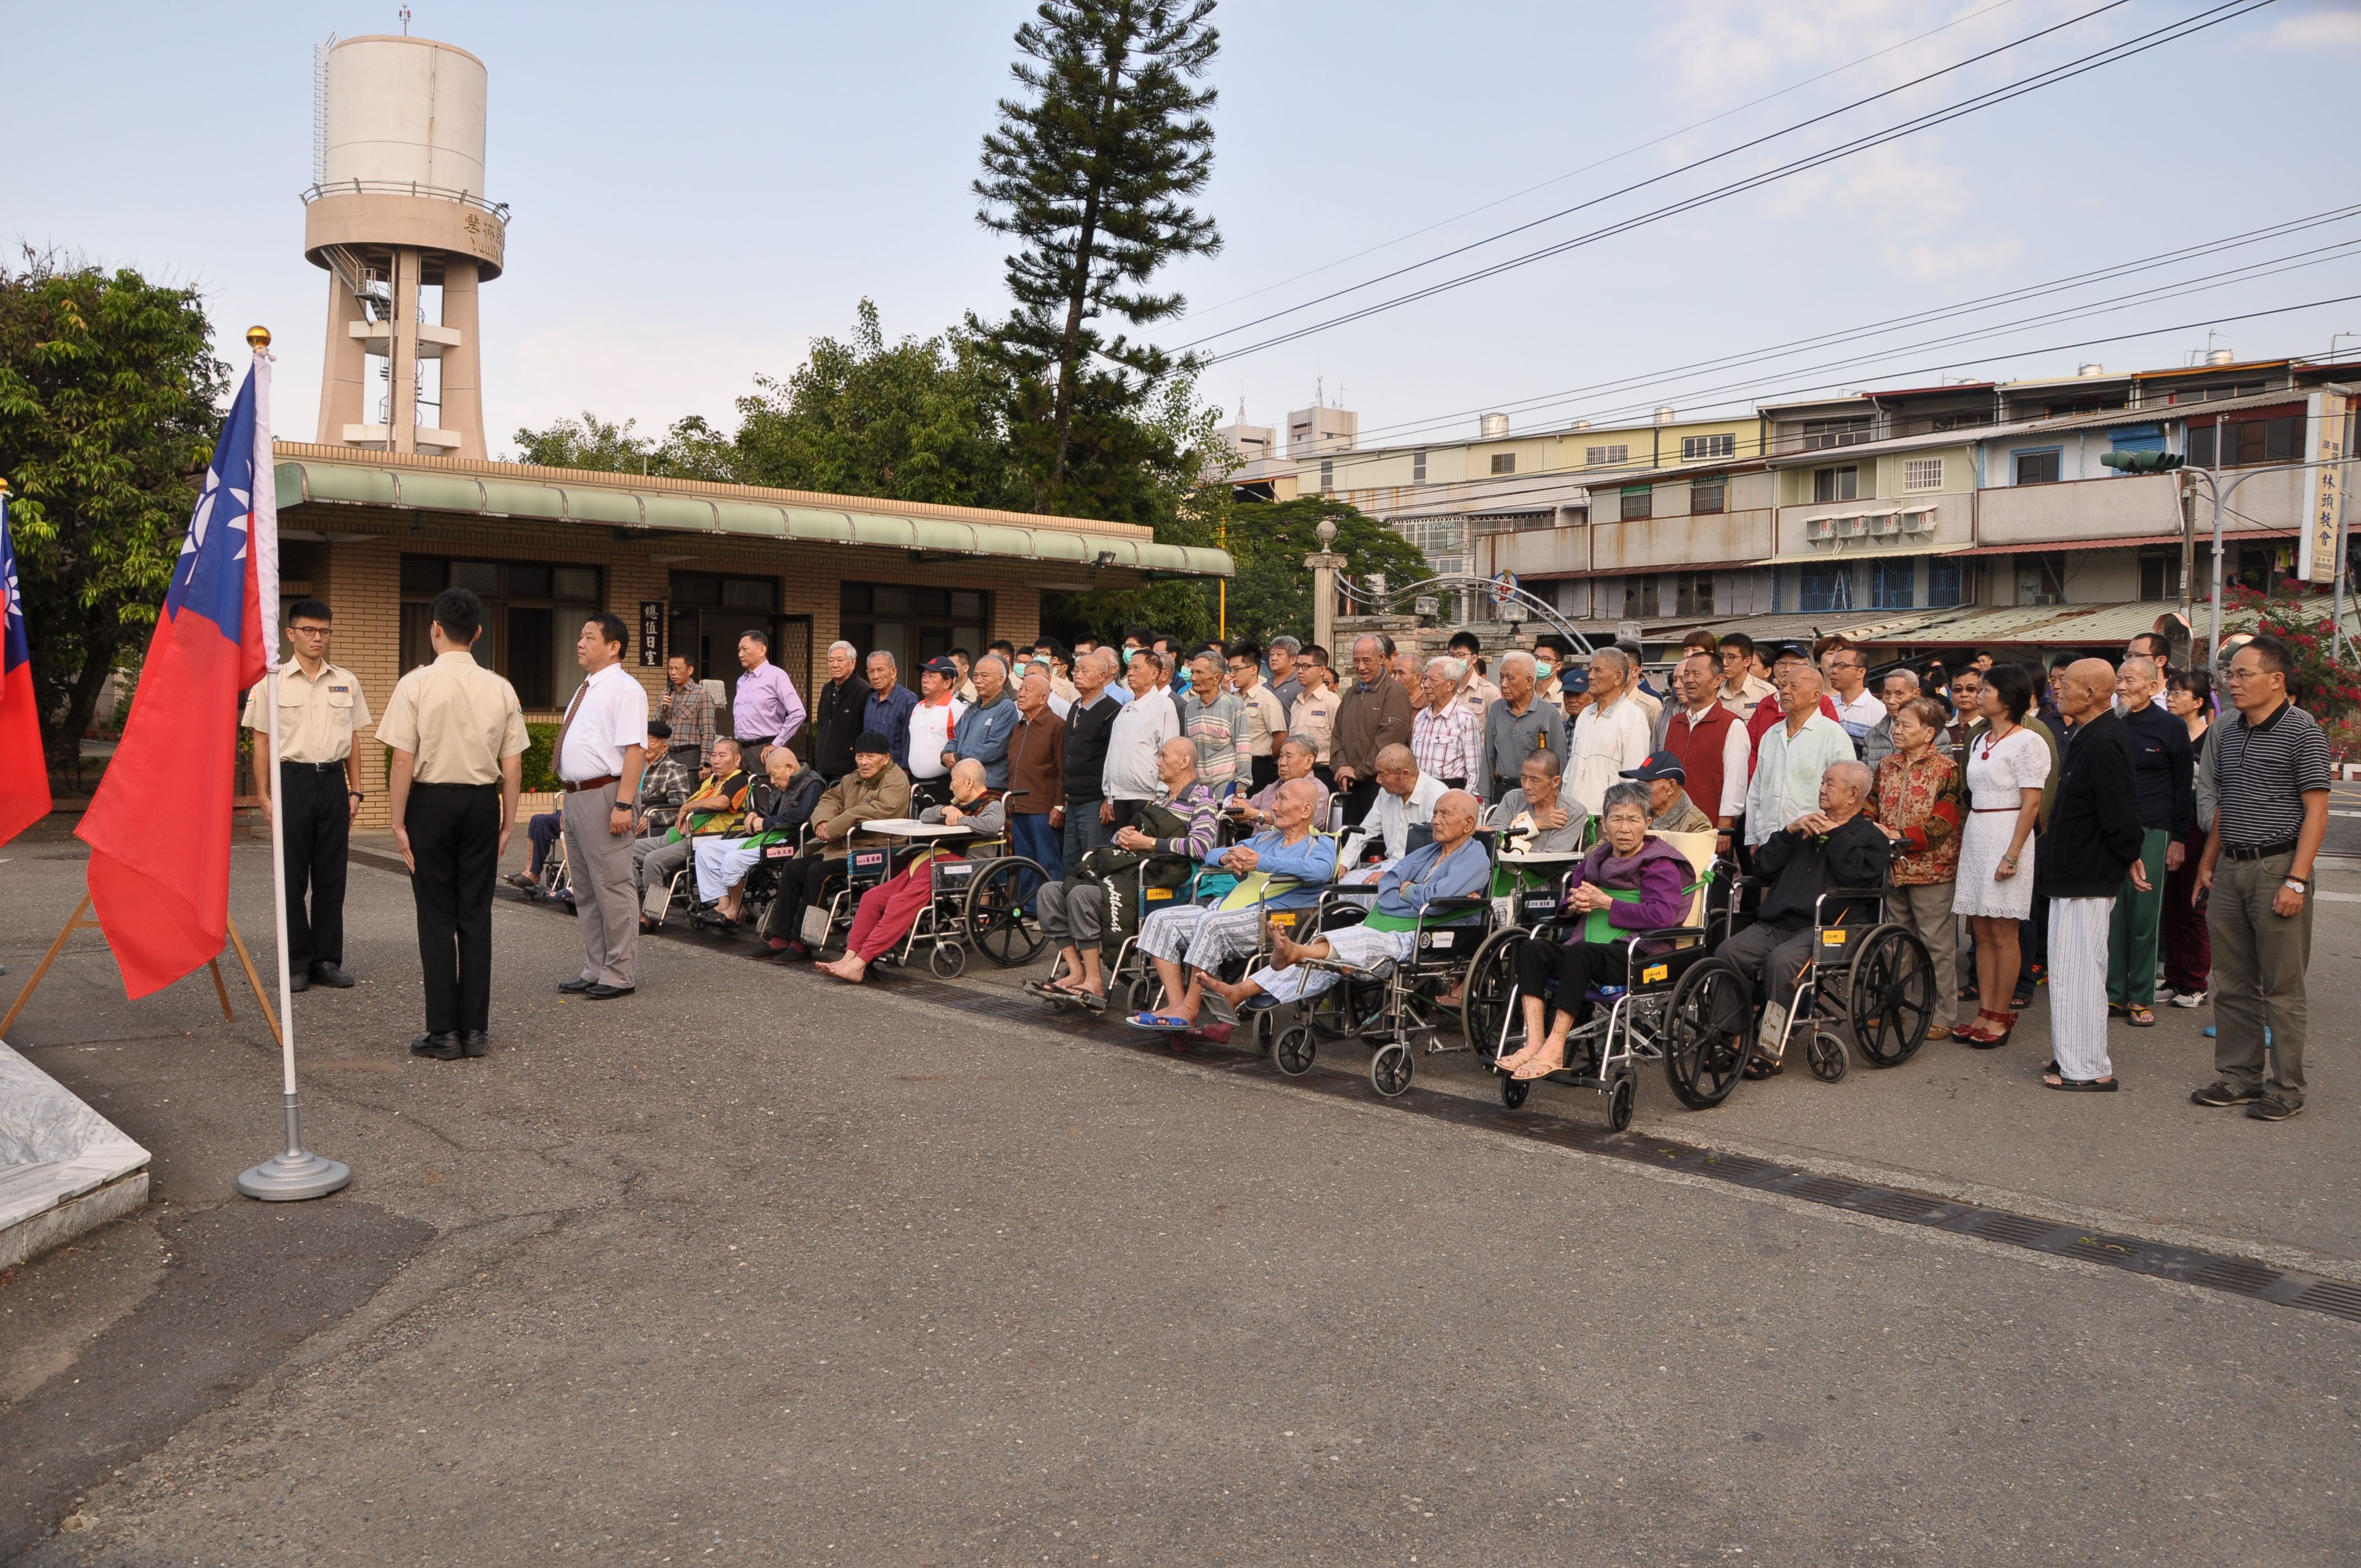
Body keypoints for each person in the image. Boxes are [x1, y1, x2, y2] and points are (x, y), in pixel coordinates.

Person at [379, 587, 526, 1061]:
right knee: (475, 918)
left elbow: (403, 760)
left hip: (431, 805)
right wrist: (508, 821)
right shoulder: (501, 686)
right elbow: (514, 763)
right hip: (482, 805)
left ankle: (443, 1033)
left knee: (437, 918)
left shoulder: (415, 684)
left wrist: (397, 821)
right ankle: (475, 1032)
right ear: (479, 632)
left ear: (435, 629)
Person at [2190, 635, 2331, 1122]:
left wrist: (2297, 880)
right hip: (2230, 866)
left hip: (2278, 867)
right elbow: (2226, 804)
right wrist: (2208, 864)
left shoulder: (2303, 731)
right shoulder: (2228, 731)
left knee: (2282, 988)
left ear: (2276, 679)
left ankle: (2287, 1087)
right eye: (2230, 675)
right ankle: (2238, 1077)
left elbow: (2317, 811)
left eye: (2243, 674)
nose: (2233, 682)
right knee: (2230, 982)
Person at [1205, 790, 1488, 1019]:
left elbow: (1435, 902)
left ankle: (1293, 955)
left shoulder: (1476, 858)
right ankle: (1241, 990)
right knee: (1329, 955)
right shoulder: (1428, 851)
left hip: (1426, 936)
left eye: (1445, 814)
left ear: (1468, 824)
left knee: (1353, 945)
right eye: (1435, 813)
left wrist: (1410, 891)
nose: (1436, 820)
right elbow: (1389, 883)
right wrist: (1411, 894)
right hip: (1389, 924)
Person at [1494, 782, 1694, 1079]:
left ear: (1647, 824)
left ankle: (1556, 1047)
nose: (1624, 828)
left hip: (1636, 954)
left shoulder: (1659, 863)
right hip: (1590, 948)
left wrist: (1607, 903)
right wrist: (1573, 906)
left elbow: (1663, 915)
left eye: (1633, 819)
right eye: (1616, 819)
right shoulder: (1597, 859)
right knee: (1532, 947)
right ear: (1604, 824)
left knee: (1581, 953)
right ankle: (1535, 1041)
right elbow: (1569, 899)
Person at [1718, 760, 1891, 1076]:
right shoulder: (1808, 828)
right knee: (1729, 952)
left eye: (1829, 784)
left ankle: (1771, 1048)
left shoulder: (1870, 836)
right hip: (1779, 923)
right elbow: (1763, 869)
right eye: (1822, 782)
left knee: (1782, 963)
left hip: (1828, 929)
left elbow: (1857, 878)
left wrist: (1836, 836)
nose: (1821, 789)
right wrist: (1789, 831)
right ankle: (1735, 1036)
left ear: (1853, 794)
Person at [1127, 775, 1336, 1035]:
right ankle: (1176, 1004)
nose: (1274, 806)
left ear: (1306, 810)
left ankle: (1190, 1010)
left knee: (1210, 923)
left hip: (1275, 918)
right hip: (1230, 911)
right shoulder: (1266, 839)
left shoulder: (1320, 844)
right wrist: (1228, 857)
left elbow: (1322, 872)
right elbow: (1212, 853)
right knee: (1161, 919)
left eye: (1282, 799)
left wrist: (1261, 863)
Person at [1033, 736, 1221, 1010]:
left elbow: (1201, 846)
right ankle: (1077, 971)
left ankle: (1096, 981)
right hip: (1130, 869)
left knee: (1083, 895)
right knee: (1050, 892)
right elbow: (1137, 836)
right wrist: (1122, 836)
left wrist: (1149, 843)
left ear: (1184, 761)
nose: (1158, 762)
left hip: (1162, 879)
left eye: (1164, 756)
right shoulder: (1160, 799)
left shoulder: (1201, 797)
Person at [242, 596, 369, 993]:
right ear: (291, 633)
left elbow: (353, 739)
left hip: (332, 784)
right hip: (291, 782)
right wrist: (264, 795)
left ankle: (327, 960)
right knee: (292, 877)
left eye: (324, 631)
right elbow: (261, 742)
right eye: (310, 631)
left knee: (332, 877)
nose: (318, 638)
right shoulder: (270, 683)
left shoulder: (345, 680)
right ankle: (297, 962)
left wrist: (356, 791)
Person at [2038, 659, 2149, 1092]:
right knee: (2069, 968)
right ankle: (2073, 1055)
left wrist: (2129, 855)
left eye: (2066, 685)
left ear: (2091, 694)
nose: (2057, 690)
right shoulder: (2089, 734)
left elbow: (2121, 812)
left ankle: (2087, 1067)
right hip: (2073, 870)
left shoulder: (2105, 740)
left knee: (2080, 970)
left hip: (2088, 873)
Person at [815, 759, 1007, 984]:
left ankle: (860, 963)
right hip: (932, 860)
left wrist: (961, 819)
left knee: (899, 903)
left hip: (960, 865)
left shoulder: (992, 803)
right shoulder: (957, 804)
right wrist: (946, 809)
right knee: (872, 898)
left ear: (968, 782)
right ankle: (849, 957)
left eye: (954, 781)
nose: (950, 786)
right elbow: (925, 815)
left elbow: (992, 825)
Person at [554, 614, 651, 993]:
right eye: (579, 635)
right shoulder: (588, 688)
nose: (580, 642)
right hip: (578, 797)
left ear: (614, 647)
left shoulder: (625, 689)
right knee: (587, 889)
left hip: (607, 795)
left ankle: (620, 972)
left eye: (589, 637)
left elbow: (635, 751)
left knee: (613, 885)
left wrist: (624, 806)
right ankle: (596, 967)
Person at [1952, 665, 2047, 1048]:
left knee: (2005, 930)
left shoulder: (2028, 741)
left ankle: (2001, 1014)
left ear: (2008, 695)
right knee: (1982, 930)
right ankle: (1984, 1010)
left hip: (2010, 834)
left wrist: (2012, 854)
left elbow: (2032, 803)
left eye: (1987, 688)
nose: (1979, 693)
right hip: (1978, 831)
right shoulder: (1979, 739)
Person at [764, 731, 913, 959]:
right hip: (843, 846)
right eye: (860, 756)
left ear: (885, 758)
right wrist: (823, 821)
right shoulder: (852, 779)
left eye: (870, 756)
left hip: (877, 848)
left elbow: (877, 811)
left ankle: (805, 941)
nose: (864, 762)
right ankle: (780, 937)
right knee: (793, 868)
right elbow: (829, 799)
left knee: (818, 872)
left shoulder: (896, 781)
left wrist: (835, 826)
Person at [2106, 656, 2194, 1028]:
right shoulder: (2109, 724)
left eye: (2129, 680)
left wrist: (2179, 840)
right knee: (2112, 915)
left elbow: (2182, 787)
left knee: (2144, 915)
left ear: (2152, 686)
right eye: (2119, 680)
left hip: (2154, 830)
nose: (2122, 687)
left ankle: (2141, 996)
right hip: (2110, 831)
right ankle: (2113, 994)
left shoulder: (2171, 727)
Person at [1872, 695, 1966, 1042]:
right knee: (1894, 942)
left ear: (1928, 733)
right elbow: (1871, 805)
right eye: (1897, 724)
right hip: (1894, 866)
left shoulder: (1947, 768)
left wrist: (1900, 836)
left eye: (1905, 725)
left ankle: (1943, 1014)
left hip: (1932, 869)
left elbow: (1945, 821)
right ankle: (1892, 1003)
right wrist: (1875, 830)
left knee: (1936, 944)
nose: (1897, 730)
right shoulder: (1887, 766)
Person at [512, 720, 690, 897]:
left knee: (580, 832)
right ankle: (532, 873)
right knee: (541, 821)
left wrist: (651, 818)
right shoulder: (627, 764)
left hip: (636, 821)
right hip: (607, 813)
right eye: (644, 739)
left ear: (665, 747)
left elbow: (679, 807)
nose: (646, 745)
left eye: (652, 741)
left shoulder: (673, 770)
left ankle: (579, 888)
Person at [693, 743, 824, 927]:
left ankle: (735, 911)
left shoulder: (813, 783)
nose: (771, 781)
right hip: (770, 834)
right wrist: (755, 813)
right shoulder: (783, 781)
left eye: (773, 774)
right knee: (706, 850)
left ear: (790, 768)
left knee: (732, 859)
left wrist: (766, 823)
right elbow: (768, 809)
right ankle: (723, 904)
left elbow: (802, 815)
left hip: (790, 840)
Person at [633, 737, 749, 930]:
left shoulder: (739, 778)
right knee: (627, 851)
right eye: (713, 755)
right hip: (677, 834)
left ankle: (651, 914)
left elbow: (723, 802)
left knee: (653, 860)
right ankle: (634, 909)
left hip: (704, 838)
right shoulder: (711, 780)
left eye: (722, 756)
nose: (716, 760)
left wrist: (689, 806)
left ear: (737, 760)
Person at [1743, 662, 1853, 847]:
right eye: (1783, 686)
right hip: (1770, 840)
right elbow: (1757, 791)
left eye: (1793, 687)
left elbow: (1845, 794)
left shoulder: (1833, 735)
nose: (1784, 691)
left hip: (1813, 840)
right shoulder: (1771, 734)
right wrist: (1754, 838)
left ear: (1815, 696)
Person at [2159, 668, 2215, 1006]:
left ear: (2198, 702)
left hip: (2199, 829)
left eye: (2180, 693)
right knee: (2170, 906)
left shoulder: (2212, 739)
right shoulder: (2170, 734)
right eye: (2170, 691)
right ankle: (2174, 976)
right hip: (2167, 826)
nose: (2171, 697)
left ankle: (2196, 981)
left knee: (2193, 905)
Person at [1661, 650, 1747, 856]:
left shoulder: (1731, 724)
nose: (1689, 681)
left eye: (1696, 675)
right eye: (1686, 675)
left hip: (1707, 825)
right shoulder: (1675, 722)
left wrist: (1725, 827)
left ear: (1718, 680)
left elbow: (1736, 781)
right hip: (1670, 823)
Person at [1334, 634, 1414, 826]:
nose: (1361, 667)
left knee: (1375, 847)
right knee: (1348, 840)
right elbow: (1337, 734)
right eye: (1356, 661)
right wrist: (1342, 769)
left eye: (1367, 661)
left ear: (1381, 658)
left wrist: (1359, 772)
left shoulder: (1394, 692)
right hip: (1349, 784)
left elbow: (1389, 741)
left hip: (1379, 784)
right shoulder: (1351, 693)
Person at [1569, 648, 1656, 816]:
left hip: (1606, 817)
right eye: (1590, 670)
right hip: (1575, 814)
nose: (1591, 676)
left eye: (1598, 670)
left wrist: (1619, 818)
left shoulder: (1633, 717)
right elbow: (1572, 769)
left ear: (1618, 677)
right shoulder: (1585, 715)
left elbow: (1633, 779)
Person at [1104, 648, 1181, 829]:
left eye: (1137, 668)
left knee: (1142, 850)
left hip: (1148, 796)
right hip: (1120, 796)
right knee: (1122, 851)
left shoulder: (1164, 705)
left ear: (1155, 673)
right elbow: (1112, 752)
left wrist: (1162, 794)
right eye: (1129, 668)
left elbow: (1170, 752)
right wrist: (1109, 795)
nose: (1130, 673)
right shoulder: (1126, 708)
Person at [1060, 646, 1122, 869]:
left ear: (1102, 676)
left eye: (1085, 671)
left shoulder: (1112, 711)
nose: (1077, 675)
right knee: (1070, 861)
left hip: (1096, 800)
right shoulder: (1075, 707)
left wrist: (1110, 798)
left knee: (1092, 861)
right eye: (1076, 670)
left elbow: (1114, 757)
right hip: (1073, 798)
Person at [1005, 667, 1067, 888]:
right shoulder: (1019, 726)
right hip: (1017, 805)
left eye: (1027, 690)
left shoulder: (1057, 725)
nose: (1020, 694)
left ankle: (1053, 911)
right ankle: (1030, 911)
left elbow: (1063, 769)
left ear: (1043, 698)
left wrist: (1060, 806)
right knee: (1025, 863)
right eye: (1020, 689)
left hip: (1043, 807)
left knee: (1049, 862)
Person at [1479, 650, 1565, 805]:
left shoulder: (1549, 714)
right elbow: (1488, 759)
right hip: (1502, 794)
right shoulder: (1496, 710)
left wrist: (1554, 803)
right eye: (1501, 677)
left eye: (1510, 678)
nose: (1504, 684)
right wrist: (1484, 800)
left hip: (1537, 796)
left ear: (1528, 682)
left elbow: (1559, 763)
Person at [1487, 748, 1588, 854]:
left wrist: (1509, 846)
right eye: (1524, 778)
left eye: (1535, 780)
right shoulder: (1513, 799)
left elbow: (1550, 858)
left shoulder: (1573, 812)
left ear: (1555, 782)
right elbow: (1491, 835)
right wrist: (1536, 824)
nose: (1526, 786)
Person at [1180, 648, 1252, 797]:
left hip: (1225, 789)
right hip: (1198, 791)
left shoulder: (1233, 705)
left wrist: (1241, 786)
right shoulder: (1190, 708)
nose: (1193, 678)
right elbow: (1188, 750)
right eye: (1193, 672)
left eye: (1199, 673)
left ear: (1217, 678)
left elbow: (1243, 747)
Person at [731, 630, 805, 772]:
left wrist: (777, 744)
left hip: (766, 749)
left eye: (745, 649)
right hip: (742, 750)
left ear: (762, 650)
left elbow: (798, 713)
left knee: (766, 793)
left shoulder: (776, 676)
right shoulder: (742, 680)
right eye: (739, 650)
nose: (740, 654)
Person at [1361, 743, 1445, 865]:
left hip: (1421, 869)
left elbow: (1437, 851)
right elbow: (1365, 830)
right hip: (1389, 865)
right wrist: (1342, 864)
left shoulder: (1438, 796)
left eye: (1383, 774)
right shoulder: (1385, 793)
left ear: (1405, 774)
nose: (1378, 780)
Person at [1227, 736, 1331, 831]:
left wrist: (1257, 815)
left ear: (1308, 761)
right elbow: (1248, 810)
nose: (1282, 763)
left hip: (1290, 848)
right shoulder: (1273, 787)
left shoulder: (1317, 789)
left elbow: (1304, 822)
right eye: (1281, 757)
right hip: (1257, 844)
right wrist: (1237, 810)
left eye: (1289, 757)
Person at [1412, 656, 1482, 792]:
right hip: (1421, 792)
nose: (1426, 685)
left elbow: (1474, 772)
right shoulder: (1421, 718)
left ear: (1451, 684)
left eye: (1433, 680)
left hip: (1450, 792)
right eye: (1426, 679)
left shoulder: (1465, 719)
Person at [1226, 641, 1288, 793]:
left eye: (1236, 669)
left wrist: (1264, 756)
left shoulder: (1266, 699)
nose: (1232, 675)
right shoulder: (1232, 698)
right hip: (1232, 767)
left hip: (1257, 766)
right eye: (1230, 670)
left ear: (1253, 669)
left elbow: (1280, 736)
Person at [905, 656, 967, 810]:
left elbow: (962, 745)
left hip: (943, 784)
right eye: (924, 676)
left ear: (947, 682)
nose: (925, 680)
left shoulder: (957, 709)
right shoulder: (917, 708)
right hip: (916, 783)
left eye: (932, 676)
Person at [950, 652, 1020, 789]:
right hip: (964, 783)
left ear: (1001, 680)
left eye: (984, 676)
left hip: (989, 785)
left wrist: (958, 757)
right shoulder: (972, 708)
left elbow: (994, 748)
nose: (978, 680)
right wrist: (947, 754)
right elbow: (956, 737)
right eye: (976, 675)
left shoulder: (1006, 708)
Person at [810, 640, 872, 782]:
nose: (835, 665)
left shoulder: (864, 691)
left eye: (840, 660)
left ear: (853, 662)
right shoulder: (827, 689)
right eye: (831, 660)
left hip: (848, 770)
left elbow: (866, 731)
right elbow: (822, 726)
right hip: (823, 766)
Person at [1623, 752, 1713, 835]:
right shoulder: (1635, 813)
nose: (1640, 790)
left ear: (1671, 787)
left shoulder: (1697, 824)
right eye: (1639, 784)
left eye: (1647, 785)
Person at [1290, 649, 1342, 784]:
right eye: (1297, 666)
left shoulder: (1332, 702)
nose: (1300, 671)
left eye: (1306, 666)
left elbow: (1343, 740)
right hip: (1297, 772)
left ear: (1322, 670)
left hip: (1323, 772)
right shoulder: (1296, 703)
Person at [1820, 641, 1884, 753]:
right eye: (1833, 666)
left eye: (1842, 666)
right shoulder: (1828, 706)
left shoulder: (1878, 711)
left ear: (1861, 672)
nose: (1834, 671)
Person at [659, 652, 716, 774]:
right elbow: (656, 727)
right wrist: (663, 710)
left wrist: (705, 763)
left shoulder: (702, 695)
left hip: (689, 756)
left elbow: (708, 731)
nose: (673, 673)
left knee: (688, 792)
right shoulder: (665, 694)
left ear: (690, 670)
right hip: (665, 754)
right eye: (670, 669)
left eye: (678, 669)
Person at [862, 651, 918, 774]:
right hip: (871, 773)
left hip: (895, 774)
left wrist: (905, 773)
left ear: (893, 672)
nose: (875, 676)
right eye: (871, 672)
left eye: (880, 670)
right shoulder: (871, 699)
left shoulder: (908, 701)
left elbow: (909, 742)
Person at [1859, 667, 1919, 770]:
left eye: (1899, 694)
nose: (1891, 701)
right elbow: (1866, 775)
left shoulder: (1933, 733)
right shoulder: (1873, 735)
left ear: (1916, 695)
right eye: (1887, 694)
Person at [1717, 631, 1774, 716]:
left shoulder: (1767, 693)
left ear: (1747, 662)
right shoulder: (1714, 692)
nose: (1724, 663)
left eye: (1731, 657)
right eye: (1722, 657)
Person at [1448, 630, 1502, 718]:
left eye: (1461, 655)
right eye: (1451, 655)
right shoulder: (1444, 687)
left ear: (1474, 658)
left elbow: (1496, 726)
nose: (1455, 660)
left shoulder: (1489, 691)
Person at [1267, 634, 1305, 711]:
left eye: (1279, 654)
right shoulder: (1265, 686)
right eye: (1271, 655)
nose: (1274, 658)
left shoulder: (1301, 686)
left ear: (1294, 659)